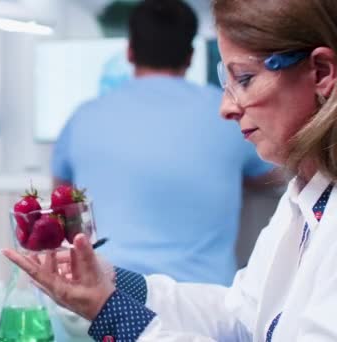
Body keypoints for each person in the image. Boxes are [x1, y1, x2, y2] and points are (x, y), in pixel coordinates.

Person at [6, 0, 337, 340]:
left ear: (322, 72)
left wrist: (113, 312)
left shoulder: (82, 117)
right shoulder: (306, 199)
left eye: (245, 79)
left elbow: (66, 205)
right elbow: (237, 316)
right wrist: (113, 283)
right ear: (191, 55)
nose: (225, 108)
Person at [52, 0, 278, 285]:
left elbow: (62, 199)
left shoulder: (83, 117)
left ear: (130, 52)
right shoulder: (231, 111)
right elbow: (273, 173)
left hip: (106, 298)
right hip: (206, 308)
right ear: (191, 55)